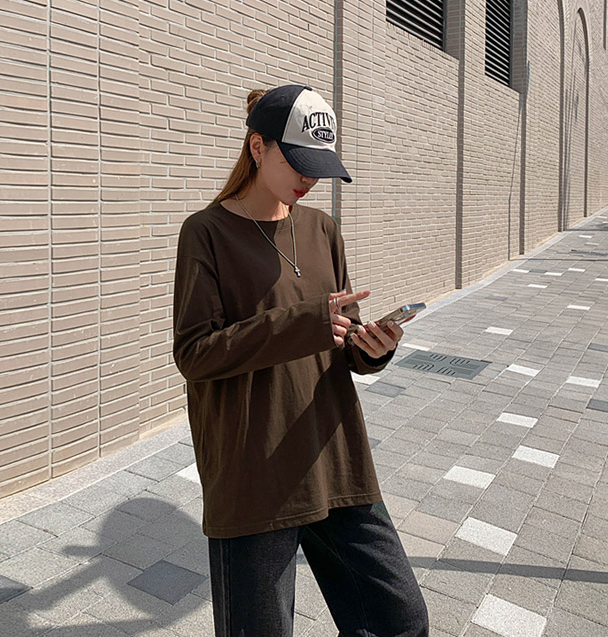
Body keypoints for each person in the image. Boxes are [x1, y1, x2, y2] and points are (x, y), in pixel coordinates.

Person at [172, 84, 429, 637]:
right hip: (253, 470)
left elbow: (339, 333)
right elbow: (194, 354)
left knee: (401, 621)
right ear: (257, 147)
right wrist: (302, 325)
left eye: (319, 167)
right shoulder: (206, 233)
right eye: (298, 162)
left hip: (334, 457)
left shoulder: (321, 228)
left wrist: (371, 349)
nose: (309, 179)